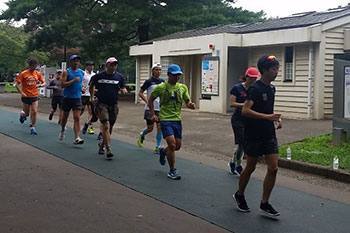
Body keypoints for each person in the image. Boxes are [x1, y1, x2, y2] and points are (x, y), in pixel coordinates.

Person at [233, 55, 282, 218]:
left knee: (273, 167)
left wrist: (276, 119)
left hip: (269, 133)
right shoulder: (255, 89)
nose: (277, 72)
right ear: (265, 70)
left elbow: (268, 110)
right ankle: (240, 194)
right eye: (274, 69)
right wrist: (267, 117)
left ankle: (264, 203)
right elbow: (245, 110)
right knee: (251, 166)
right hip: (253, 134)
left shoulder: (272, 88)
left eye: (277, 68)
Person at [148, 64, 196, 180]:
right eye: (175, 75)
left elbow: (187, 101)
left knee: (177, 146)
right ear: (169, 75)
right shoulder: (161, 87)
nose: (177, 77)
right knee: (172, 144)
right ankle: (172, 170)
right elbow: (150, 100)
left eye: (178, 75)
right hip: (165, 119)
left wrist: (191, 105)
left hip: (177, 120)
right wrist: (153, 114)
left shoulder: (182, 87)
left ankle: (163, 152)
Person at [89, 57, 127, 159]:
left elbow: (123, 87)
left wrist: (124, 90)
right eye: (111, 64)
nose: (113, 66)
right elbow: (91, 85)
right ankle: (108, 148)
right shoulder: (99, 76)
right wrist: (92, 98)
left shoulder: (119, 77)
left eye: (115, 64)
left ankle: (102, 145)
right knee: (105, 125)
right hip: (102, 104)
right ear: (106, 65)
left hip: (114, 105)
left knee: (110, 127)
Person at [228, 67, 259, 175]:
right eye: (251, 78)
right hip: (238, 119)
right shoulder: (237, 88)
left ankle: (233, 162)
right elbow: (232, 103)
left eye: (255, 79)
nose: (253, 81)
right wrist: (245, 105)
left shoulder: (255, 89)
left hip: (249, 119)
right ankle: (238, 164)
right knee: (242, 142)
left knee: (246, 142)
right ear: (246, 77)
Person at [137, 63, 165, 153]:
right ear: (152, 71)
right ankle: (142, 134)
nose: (158, 71)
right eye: (156, 70)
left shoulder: (163, 81)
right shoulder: (149, 81)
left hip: (160, 108)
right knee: (150, 128)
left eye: (160, 70)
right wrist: (147, 101)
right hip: (150, 108)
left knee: (160, 127)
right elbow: (140, 92)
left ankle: (158, 146)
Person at [15, 58, 46, 135]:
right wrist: (21, 92)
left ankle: (33, 127)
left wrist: (41, 85)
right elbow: (16, 84)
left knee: (34, 111)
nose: (34, 68)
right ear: (30, 66)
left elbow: (44, 82)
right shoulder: (24, 73)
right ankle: (23, 115)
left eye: (35, 66)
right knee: (27, 113)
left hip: (34, 95)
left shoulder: (37, 73)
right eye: (33, 66)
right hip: (26, 95)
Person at [59, 55, 84, 144]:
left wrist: (82, 88)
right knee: (65, 117)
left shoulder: (81, 72)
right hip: (67, 98)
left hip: (77, 98)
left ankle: (77, 137)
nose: (76, 63)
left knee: (77, 117)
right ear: (71, 62)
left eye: (77, 61)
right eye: (74, 61)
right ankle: (62, 130)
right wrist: (73, 80)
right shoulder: (67, 72)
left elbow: (81, 83)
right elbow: (62, 84)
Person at [81, 60, 96, 134]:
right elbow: (79, 82)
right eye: (90, 65)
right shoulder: (83, 74)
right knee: (81, 110)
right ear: (87, 66)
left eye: (92, 65)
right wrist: (81, 87)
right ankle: (76, 121)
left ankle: (89, 126)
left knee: (91, 112)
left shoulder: (94, 75)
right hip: (83, 95)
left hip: (90, 95)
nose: (91, 67)